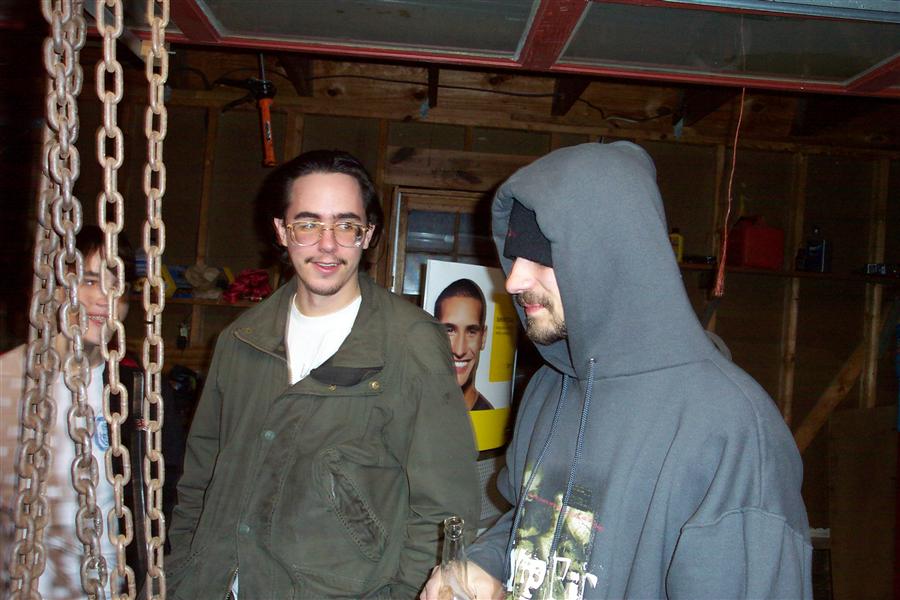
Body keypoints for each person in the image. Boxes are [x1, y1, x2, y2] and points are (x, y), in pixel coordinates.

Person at [423, 142, 812, 599]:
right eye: (515, 255)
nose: (513, 280)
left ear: (612, 255)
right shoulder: (550, 385)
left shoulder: (731, 430)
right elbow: (531, 523)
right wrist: (485, 566)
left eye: (542, 257)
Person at [165, 149, 481, 599]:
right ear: (282, 231)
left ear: (368, 235)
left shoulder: (411, 343)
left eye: (346, 225)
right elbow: (200, 477)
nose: (327, 244)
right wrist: (182, 573)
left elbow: (445, 509)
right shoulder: (240, 340)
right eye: (308, 224)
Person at [0, 225, 186, 598]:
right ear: (53, 288)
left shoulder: (141, 392)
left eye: (117, 285)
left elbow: (169, 492)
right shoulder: (10, 379)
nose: (105, 298)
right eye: (88, 281)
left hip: (113, 585)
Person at [435, 278, 493, 411]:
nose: (460, 350)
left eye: (471, 332)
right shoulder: (417, 407)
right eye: (449, 330)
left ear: (483, 338)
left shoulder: (487, 414)